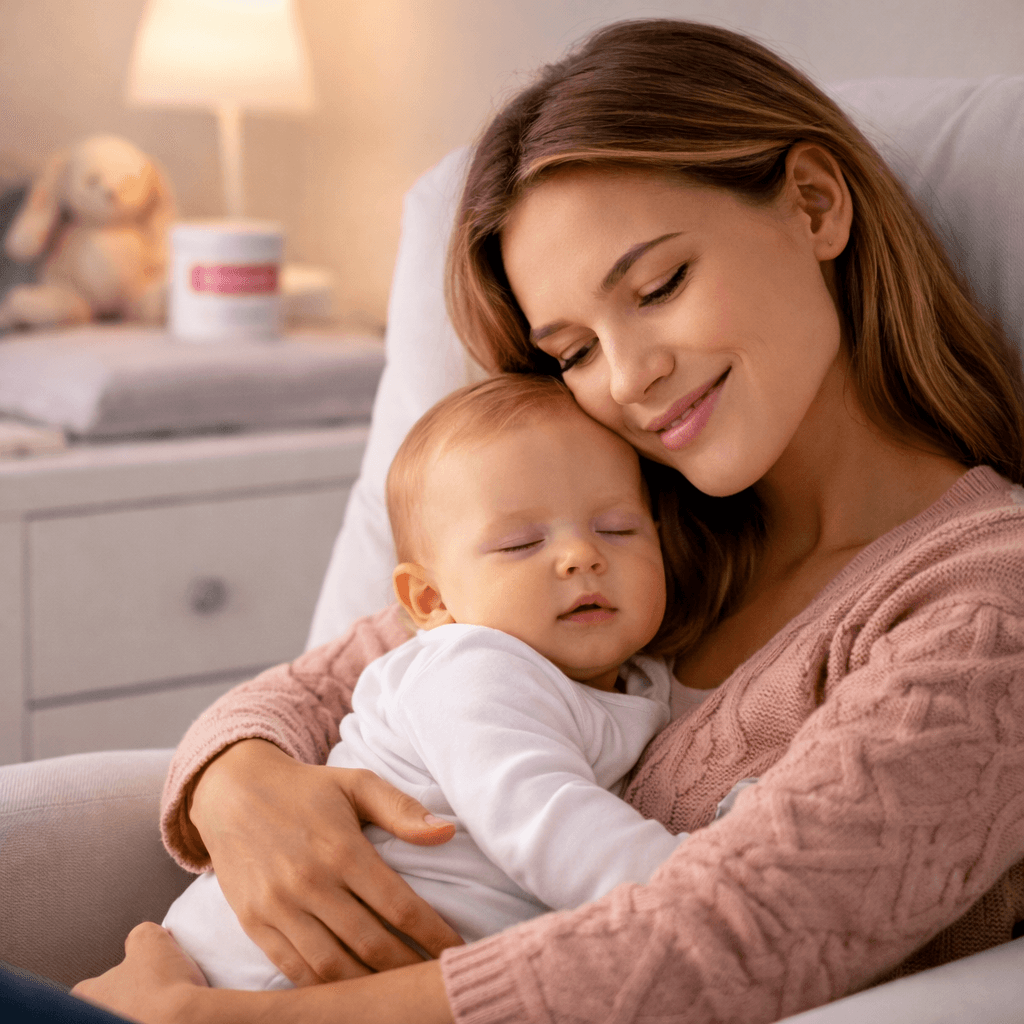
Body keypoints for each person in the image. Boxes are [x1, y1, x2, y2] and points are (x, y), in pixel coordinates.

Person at [73, 18, 1024, 1024]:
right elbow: (318, 683)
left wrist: (202, 1022)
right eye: (571, 350)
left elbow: (729, 937)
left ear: (814, 204)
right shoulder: (632, 533)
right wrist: (242, 786)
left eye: (658, 285)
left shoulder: (980, 605)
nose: (628, 378)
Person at [160, 373, 702, 989]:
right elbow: (545, 820)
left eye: (618, 529)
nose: (581, 555)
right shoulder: (473, 668)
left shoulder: (641, 679)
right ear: (429, 599)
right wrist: (699, 878)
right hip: (257, 965)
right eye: (522, 543)